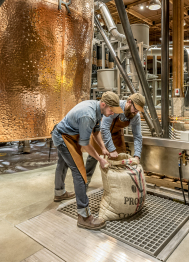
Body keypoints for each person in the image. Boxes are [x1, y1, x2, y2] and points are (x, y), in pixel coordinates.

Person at [51, 91, 123, 230]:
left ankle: (59, 193)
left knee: (63, 163)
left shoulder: (97, 110)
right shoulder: (88, 115)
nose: (112, 113)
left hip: (68, 134)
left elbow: (96, 132)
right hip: (63, 137)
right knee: (79, 172)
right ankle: (84, 217)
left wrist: (103, 148)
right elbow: (85, 144)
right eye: (111, 110)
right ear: (103, 104)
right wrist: (99, 159)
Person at [85, 93, 145, 185]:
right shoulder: (116, 107)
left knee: (120, 159)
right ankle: (86, 181)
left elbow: (137, 136)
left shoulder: (135, 116)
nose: (136, 113)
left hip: (116, 135)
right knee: (93, 157)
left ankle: (117, 184)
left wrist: (137, 155)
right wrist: (111, 149)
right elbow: (104, 128)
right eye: (135, 109)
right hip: (101, 132)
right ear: (129, 102)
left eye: (138, 111)